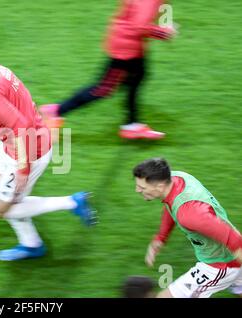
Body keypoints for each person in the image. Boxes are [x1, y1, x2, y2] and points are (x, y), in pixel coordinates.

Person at [0, 34, 98, 261]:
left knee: (2, 209)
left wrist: (23, 169)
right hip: (12, 144)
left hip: (29, 149)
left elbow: (21, 125)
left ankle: (72, 202)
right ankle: (31, 244)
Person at [40, 0, 176, 140]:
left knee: (137, 77)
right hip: (125, 50)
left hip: (132, 46)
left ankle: (132, 125)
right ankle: (55, 111)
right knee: (103, 89)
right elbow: (139, 26)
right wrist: (163, 32)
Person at [133, 158, 242, 298]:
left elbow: (234, 240)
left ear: (159, 186)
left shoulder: (190, 214)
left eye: (142, 187)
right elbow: (171, 205)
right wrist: (161, 237)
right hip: (230, 256)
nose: (137, 190)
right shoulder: (177, 178)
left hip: (220, 265)